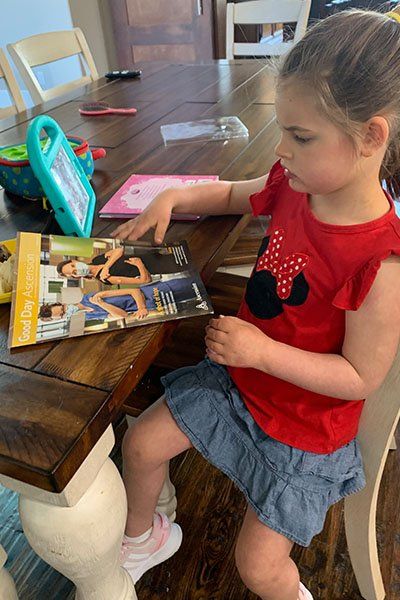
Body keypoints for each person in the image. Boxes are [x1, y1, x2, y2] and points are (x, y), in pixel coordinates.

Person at [112, 10, 400, 600]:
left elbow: (359, 376)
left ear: (371, 137)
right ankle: (144, 539)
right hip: (243, 381)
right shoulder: (297, 184)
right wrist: (174, 194)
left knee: (260, 569)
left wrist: (264, 352)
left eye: (300, 136)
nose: (281, 149)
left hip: (303, 427)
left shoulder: (381, 263)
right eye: (282, 130)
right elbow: (230, 194)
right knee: (140, 441)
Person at [39, 277, 200, 323]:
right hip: (156, 306)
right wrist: (101, 305)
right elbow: (122, 315)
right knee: (196, 296)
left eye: (63, 310)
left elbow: (134, 291)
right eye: (62, 316)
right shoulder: (89, 317)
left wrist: (141, 307)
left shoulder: (90, 298)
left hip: (154, 293)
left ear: (63, 304)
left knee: (195, 285)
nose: (66, 312)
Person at [56, 247, 152, 285]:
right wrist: (140, 265)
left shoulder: (97, 260)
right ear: (77, 277)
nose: (77, 269)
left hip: (149, 252)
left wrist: (106, 267)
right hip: (155, 266)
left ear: (74, 261)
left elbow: (119, 250)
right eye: (74, 272)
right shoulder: (105, 279)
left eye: (73, 266)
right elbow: (145, 280)